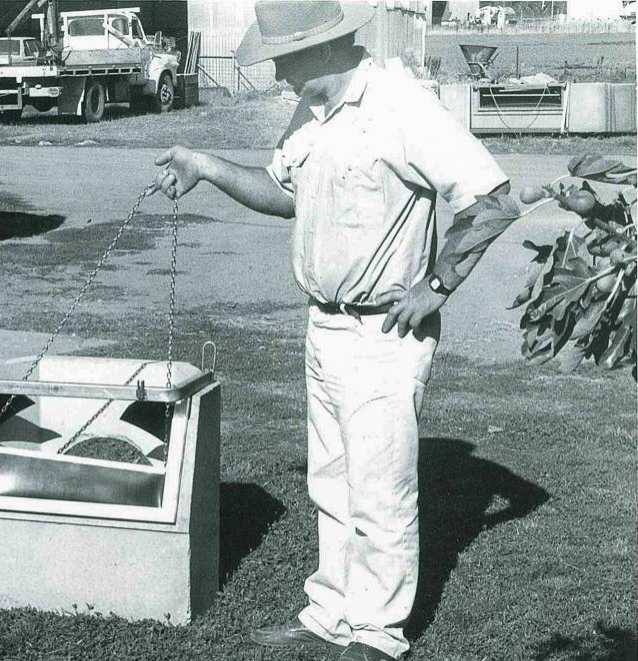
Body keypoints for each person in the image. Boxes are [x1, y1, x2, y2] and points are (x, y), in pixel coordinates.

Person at [152, 2, 511, 660]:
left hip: (383, 335)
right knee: (333, 483)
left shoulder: (402, 105)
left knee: (380, 491)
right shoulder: (313, 112)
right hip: (324, 326)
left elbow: (494, 201)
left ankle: (377, 634)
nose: (278, 71)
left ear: (321, 48)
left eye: (282, 57)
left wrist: (433, 288)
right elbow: (284, 189)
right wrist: (205, 165)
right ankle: (331, 616)